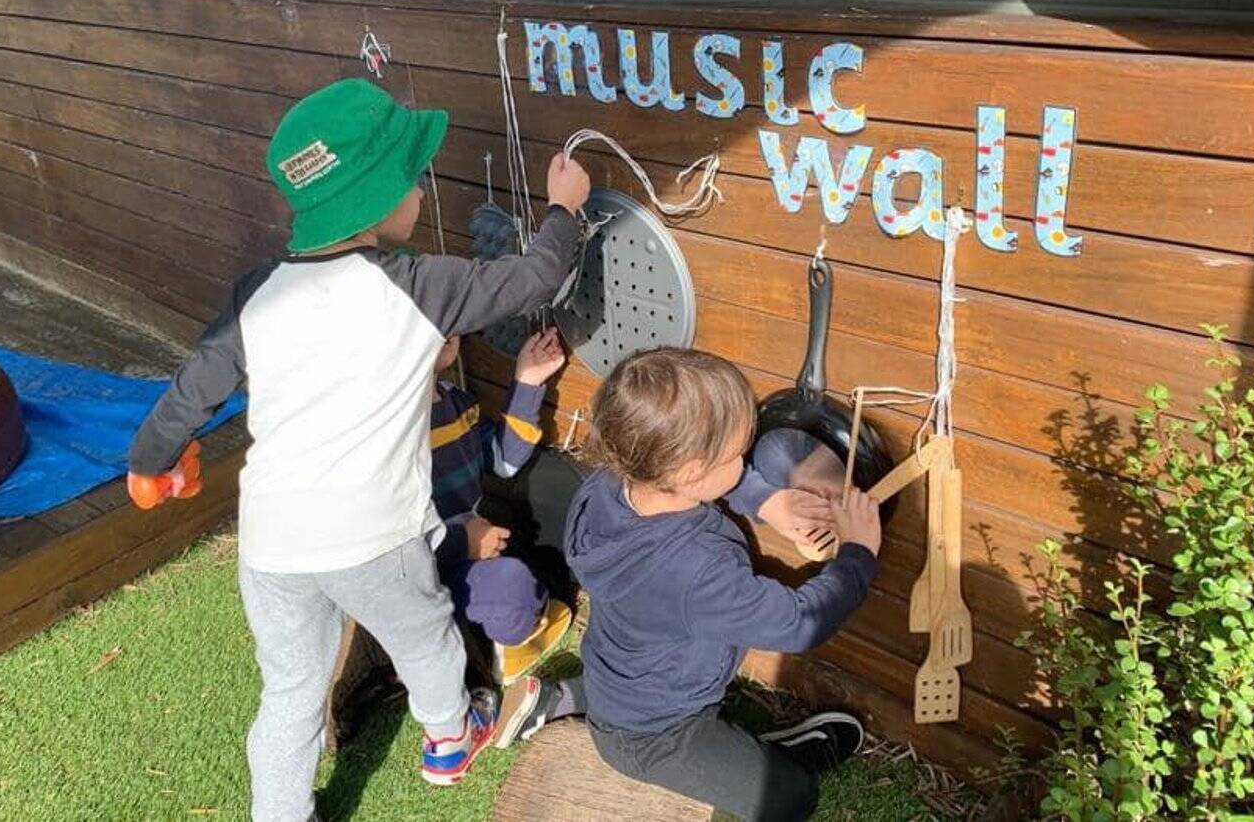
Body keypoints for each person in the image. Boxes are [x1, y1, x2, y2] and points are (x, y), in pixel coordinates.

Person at [123, 78, 590, 821]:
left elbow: (192, 388)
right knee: (425, 634)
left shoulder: (258, 292)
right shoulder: (418, 287)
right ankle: (450, 737)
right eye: (412, 177)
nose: (421, 191)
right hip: (372, 535)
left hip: (272, 542)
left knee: (290, 690)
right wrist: (564, 206)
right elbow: (536, 277)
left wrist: (152, 460)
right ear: (375, 196)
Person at [513, 347, 882, 821]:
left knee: (634, 694)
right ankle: (773, 757)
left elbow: (702, 479)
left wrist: (766, 500)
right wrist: (858, 552)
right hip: (656, 734)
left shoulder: (607, 486)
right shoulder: (692, 570)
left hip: (624, 674)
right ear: (690, 471)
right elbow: (798, 623)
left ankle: (571, 699)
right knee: (792, 796)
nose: (746, 459)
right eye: (738, 454)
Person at [427, 328, 574, 685]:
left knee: (518, 579)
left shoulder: (456, 403)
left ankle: (488, 631)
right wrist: (462, 542)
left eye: (449, 316)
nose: (444, 328)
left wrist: (527, 381)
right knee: (516, 586)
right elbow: (388, 538)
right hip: (417, 575)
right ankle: (497, 643)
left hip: (466, 562)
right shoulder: (386, 430)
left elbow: (504, 461)